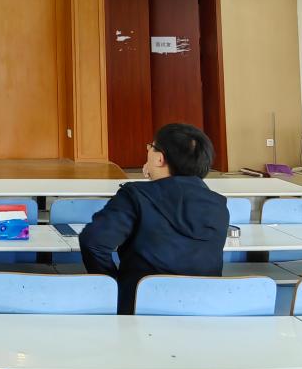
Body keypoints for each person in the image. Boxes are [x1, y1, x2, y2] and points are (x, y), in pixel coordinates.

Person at [78, 123, 229, 314]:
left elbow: (93, 241)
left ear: (159, 158)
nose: (148, 150)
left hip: (140, 309)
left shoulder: (135, 196)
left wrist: (113, 286)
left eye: (151, 146)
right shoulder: (219, 205)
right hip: (204, 311)